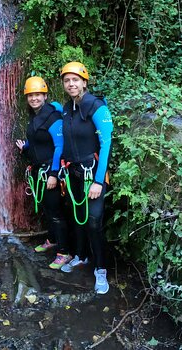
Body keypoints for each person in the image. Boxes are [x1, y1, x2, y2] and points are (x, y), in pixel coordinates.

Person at [59, 61, 113, 295]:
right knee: (77, 219)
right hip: (73, 175)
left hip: (93, 175)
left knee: (93, 222)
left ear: (84, 82)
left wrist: (99, 181)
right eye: (67, 80)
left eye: (75, 80)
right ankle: (80, 256)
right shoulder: (66, 109)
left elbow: (106, 142)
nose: (71, 84)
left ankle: (100, 268)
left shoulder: (96, 106)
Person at [15, 76, 70, 269]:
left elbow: (59, 145)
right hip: (40, 170)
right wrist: (26, 146)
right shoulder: (36, 116)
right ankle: (53, 239)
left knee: (56, 211)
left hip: (50, 170)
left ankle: (64, 252)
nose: (34, 98)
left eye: (38, 94)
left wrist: (54, 174)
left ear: (45, 95)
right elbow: (37, 137)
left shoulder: (52, 117)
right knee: (47, 208)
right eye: (31, 95)